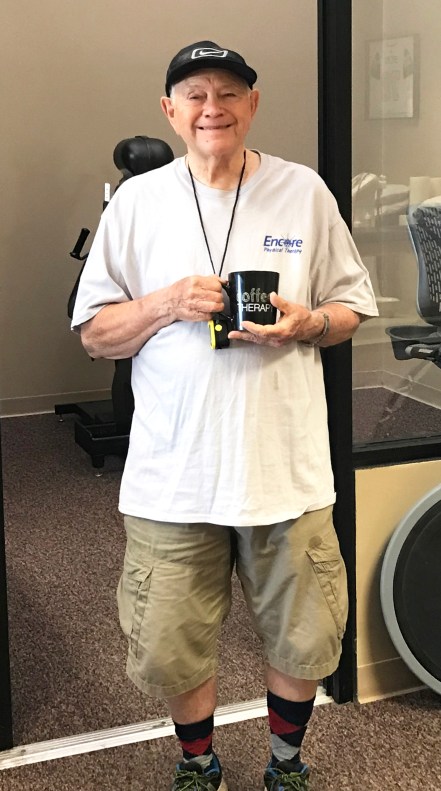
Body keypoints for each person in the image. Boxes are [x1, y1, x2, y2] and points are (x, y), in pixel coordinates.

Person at [72, 40, 378, 791]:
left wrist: (307, 323)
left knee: (305, 635)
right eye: (196, 95)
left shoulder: (303, 191)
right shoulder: (137, 202)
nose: (214, 109)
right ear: (169, 110)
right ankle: (198, 763)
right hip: (173, 475)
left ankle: (284, 764)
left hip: (287, 467)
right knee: (171, 642)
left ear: (252, 104)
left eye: (229, 94)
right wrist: (168, 302)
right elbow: (93, 334)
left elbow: (351, 308)